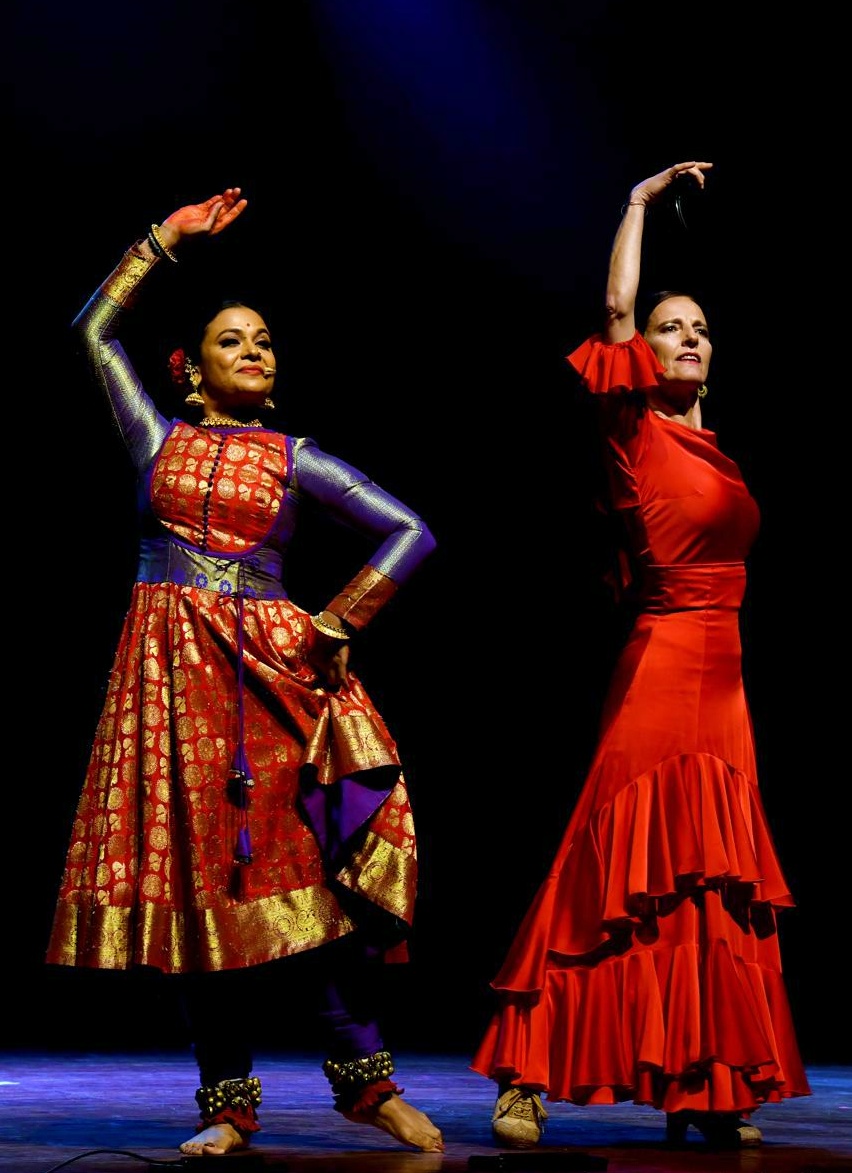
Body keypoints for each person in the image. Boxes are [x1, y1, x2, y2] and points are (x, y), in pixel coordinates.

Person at [46, 188, 444, 1157]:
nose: (256, 350)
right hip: (169, 688)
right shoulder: (158, 441)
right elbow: (93, 332)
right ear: (191, 372)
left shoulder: (296, 457)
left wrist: (340, 620)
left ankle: (367, 1084)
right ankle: (227, 1105)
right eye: (232, 340)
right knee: (200, 894)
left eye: (265, 340)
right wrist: (160, 242)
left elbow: (410, 532)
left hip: (272, 680)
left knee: (312, 882)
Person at [471, 161, 811, 1150]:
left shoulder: (720, 454)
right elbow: (615, 308)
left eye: (701, 326)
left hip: (726, 679)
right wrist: (636, 204)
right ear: (644, 353)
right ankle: (526, 1073)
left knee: (714, 879)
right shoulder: (633, 433)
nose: (689, 336)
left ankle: (709, 1085)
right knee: (609, 861)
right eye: (672, 327)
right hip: (661, 664)